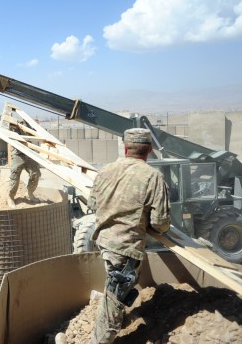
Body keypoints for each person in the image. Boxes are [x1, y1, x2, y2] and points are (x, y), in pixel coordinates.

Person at [89, 128, 170, 344]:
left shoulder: (104, 170)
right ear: (150, 151)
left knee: (115, 292)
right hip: (125, 249)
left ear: (125, 148)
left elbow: (92, 205)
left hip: (104, 242)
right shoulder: (153, 176)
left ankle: (113, 313)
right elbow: (160, 223)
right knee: (114, 303)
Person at [7, 121, 41, 208]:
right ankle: (10, 197)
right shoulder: (14, 125)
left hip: (28, 152)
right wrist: (11, 123)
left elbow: (33, 134)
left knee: (35, 173)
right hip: (17, 153)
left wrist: (35, 129)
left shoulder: (28, 124)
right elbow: (5, 126)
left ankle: (30, 193)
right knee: (15, 175)